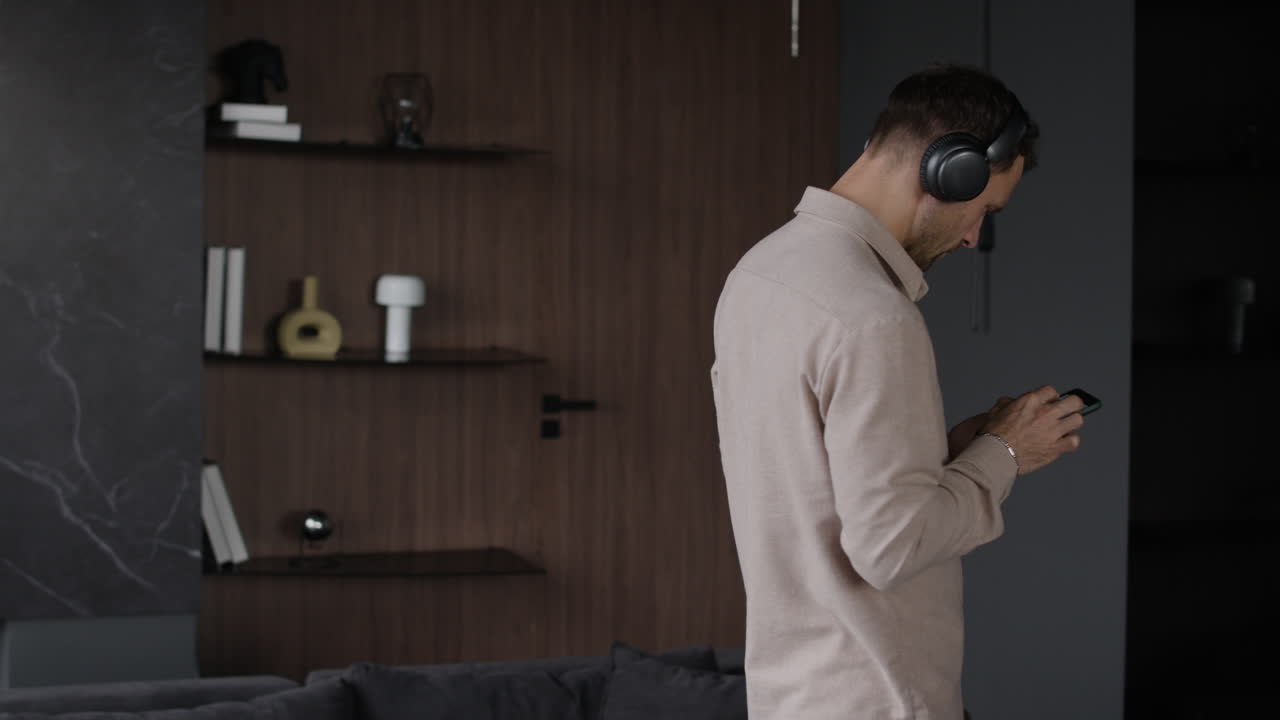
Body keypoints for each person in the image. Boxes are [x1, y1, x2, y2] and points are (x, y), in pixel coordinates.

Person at [709, 63, 1087, 720]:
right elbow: (891, 547)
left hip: (792, 697)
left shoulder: (760, 272)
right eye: (984, 209)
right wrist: (1005, 455)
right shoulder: (874, 316)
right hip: (876, 698)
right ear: (951, 172)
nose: (973, 236)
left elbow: (817, 488)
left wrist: (946, 454)